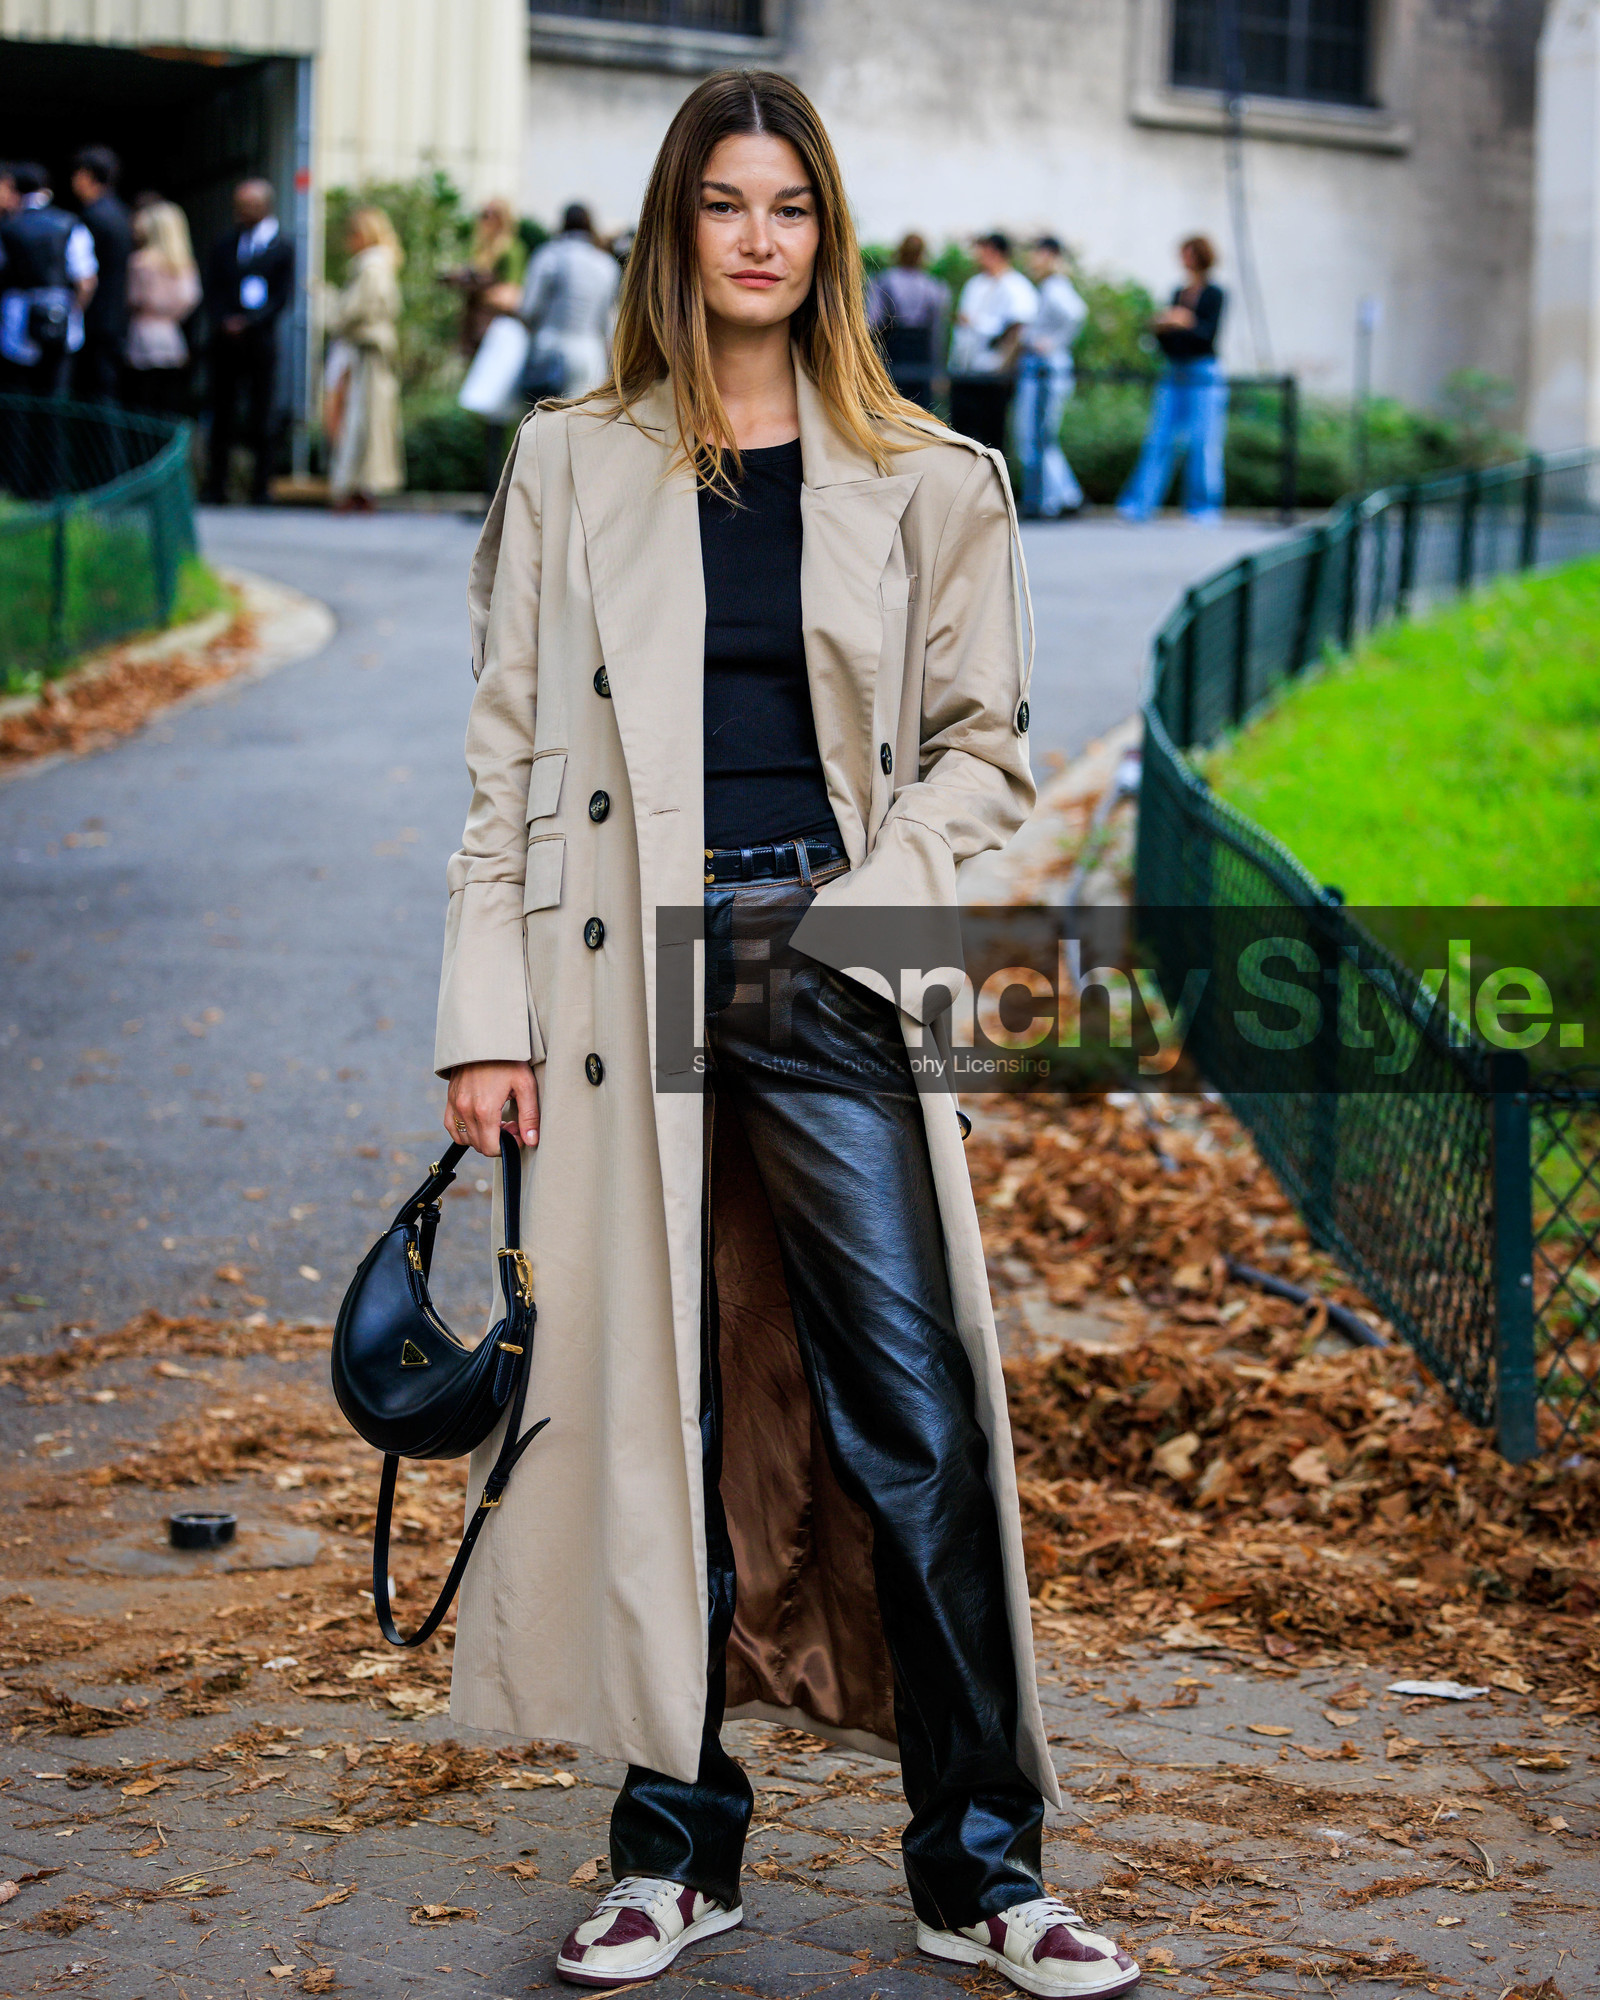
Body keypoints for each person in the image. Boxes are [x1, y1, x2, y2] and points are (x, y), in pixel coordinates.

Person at [435, 66, 1139, 2000]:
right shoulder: (573, 461)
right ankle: (674, 1850)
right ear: (676, 231)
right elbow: (503, 765)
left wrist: (863, 908)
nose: (759, 236)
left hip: (816, 952)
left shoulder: (927, 473)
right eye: (725, 204)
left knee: (910, 1408)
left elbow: (987, 747)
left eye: (794, 207)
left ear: (828, 238)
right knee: (647, 1415)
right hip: (611, 971)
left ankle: (979, 1866)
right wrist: (475, 1022)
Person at [1117, 235, 1228, 525]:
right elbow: (1165, 337)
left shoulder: (1214, 293)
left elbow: (1207, 335)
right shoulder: (1179, 292)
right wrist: (1168, 324)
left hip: (1203, 374)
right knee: (1159, 438)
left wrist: (1184, 322)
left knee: (1203, 441)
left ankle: (1204, 508)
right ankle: (1139, 505)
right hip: (1174, 371)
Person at [202, 178, 294, 505]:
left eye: (251, 205)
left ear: (266, 205)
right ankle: (217, 485)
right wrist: (224, 320)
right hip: (226, 342)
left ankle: (260, 487)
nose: (244, 211)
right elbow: (212, 288)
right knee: (222, 413)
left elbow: (283, 297)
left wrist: (251, 322)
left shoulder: (282, 246)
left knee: (262, 413)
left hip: (260, 342)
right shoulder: (225, 243)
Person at [323, 205, 404, 512]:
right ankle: (359, 487)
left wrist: (330, 305)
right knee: (363, 421)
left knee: (358, 421)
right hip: (367, 354)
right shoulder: (379, 266)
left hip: (365, 354)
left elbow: (351, 314)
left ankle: (356, 487)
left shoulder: (372, 268)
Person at [0, 162, 97, 400]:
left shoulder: (8, 227)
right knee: (56, 399)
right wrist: (75, 310)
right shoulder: (70, 223)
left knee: (17, 399)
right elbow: (86, 281)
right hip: (63, 317)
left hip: (16, 322)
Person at [1013, 237, 1086, 520]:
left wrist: (1052, 342)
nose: (1032, 259)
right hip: (1042, 366)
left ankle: (1051, 500)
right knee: (1039, 438)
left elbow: (1076, 315)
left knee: (1035, 437)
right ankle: (1064, 496)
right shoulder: (1050, 287)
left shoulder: (1055, 287)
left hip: (1045, 368)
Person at [517, 201, 618, 401]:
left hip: (551, 348)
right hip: (590, 354)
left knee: (542, 424)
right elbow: (608, 319)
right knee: (582, 423)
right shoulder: (606, 264)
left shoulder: (548, 255)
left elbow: (529, 309)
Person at [947, 231, 1036, 454]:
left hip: (993, 373)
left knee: (992, 436)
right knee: (961, 433)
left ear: (995, 252)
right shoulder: (975, 284)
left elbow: (1017, 327)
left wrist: (1004, 367)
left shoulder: (1016, 287)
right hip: (966, 370)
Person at [123, 199, 201, 414]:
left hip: (143, 333)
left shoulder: (140, 262)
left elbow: (133, 299)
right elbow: (190, 298)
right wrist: (171, 315)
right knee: (168, 401)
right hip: (171, 335)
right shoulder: (184, 264)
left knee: (143, 400)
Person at [69, 145, 133, 404]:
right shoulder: (121, 212)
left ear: (87, 176)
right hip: (116, 313)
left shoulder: (93, 216)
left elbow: (85, 274)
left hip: (96, 316)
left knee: (95, 392)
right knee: (107, 387)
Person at [866, 232, 949, 410]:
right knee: (921, 412)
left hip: (894, 353)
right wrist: (938, 370)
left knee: (893, 411)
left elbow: (873, 322)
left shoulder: (885, 281)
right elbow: (937, 333)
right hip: (922, 355)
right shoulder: (933, 286)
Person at [444, 197, 527, 359]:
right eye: (483, 214)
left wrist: (478, 290)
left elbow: (511, 295)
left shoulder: (511, 250)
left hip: (495, 326)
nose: (485, 219)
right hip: (474, 325)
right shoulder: (480, 249)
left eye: (491, 214)